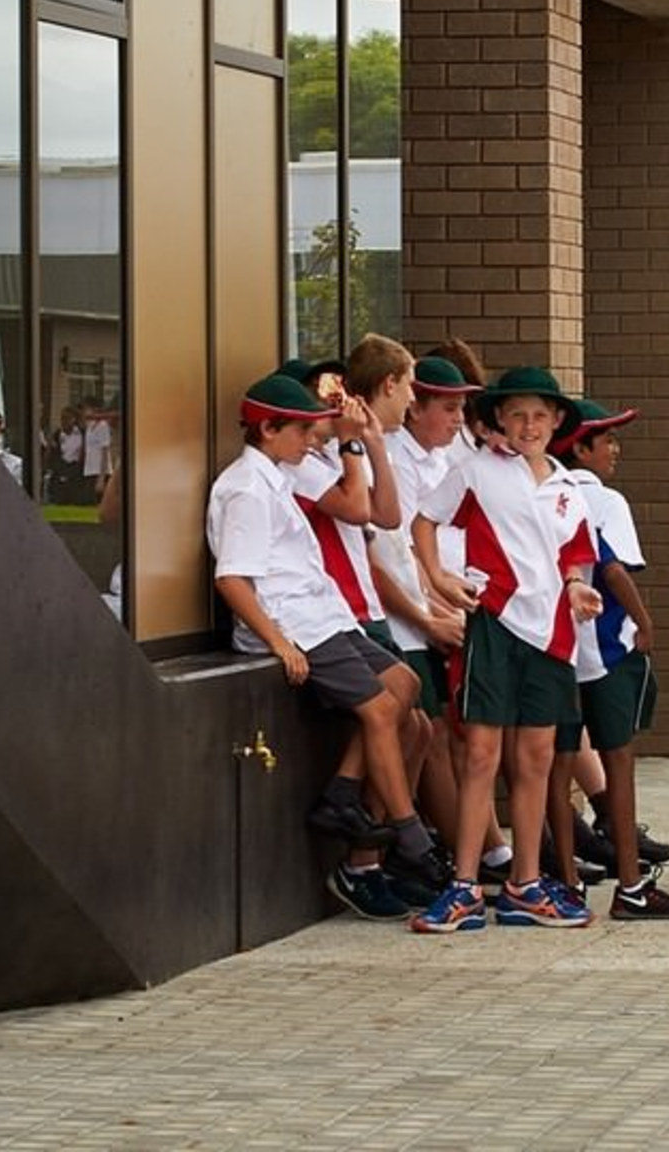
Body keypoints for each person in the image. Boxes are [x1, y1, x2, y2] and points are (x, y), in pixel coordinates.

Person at [207, 372, 445, 916]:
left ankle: (342, 795)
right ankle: (411, 838)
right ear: (268, 428)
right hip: (294, 624)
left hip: (322, 615)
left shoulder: (277, 476)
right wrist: (279, 643)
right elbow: (233, 579)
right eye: (304, 431)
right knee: (383, 710)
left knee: (403, 686)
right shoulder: (246, 488)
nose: (313, 439)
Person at [405, 361, 602, 934]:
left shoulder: (569, 486)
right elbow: (423, 523)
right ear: (498, 420)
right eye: (516, 414)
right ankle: (463, 885)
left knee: (537, 759)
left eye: (540, 414)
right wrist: (440, 578)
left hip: (553, 636)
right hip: (493, 624)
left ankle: (525, 883)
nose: (529, 424)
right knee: (483, 755)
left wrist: (579, 590)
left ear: (558, 420)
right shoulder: (475, 469)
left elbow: (574, 561)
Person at [546, 398, 669, 923]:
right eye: (605, 438)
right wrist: (645, 622)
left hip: (552, 652)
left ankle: (563, 881)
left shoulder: (534, 492)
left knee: (555, 766)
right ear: (579, 447)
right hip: (606, 650)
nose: (615, 448)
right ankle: (630, 885)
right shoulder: (602, 498)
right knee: (620, 762)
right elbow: (613, 569)